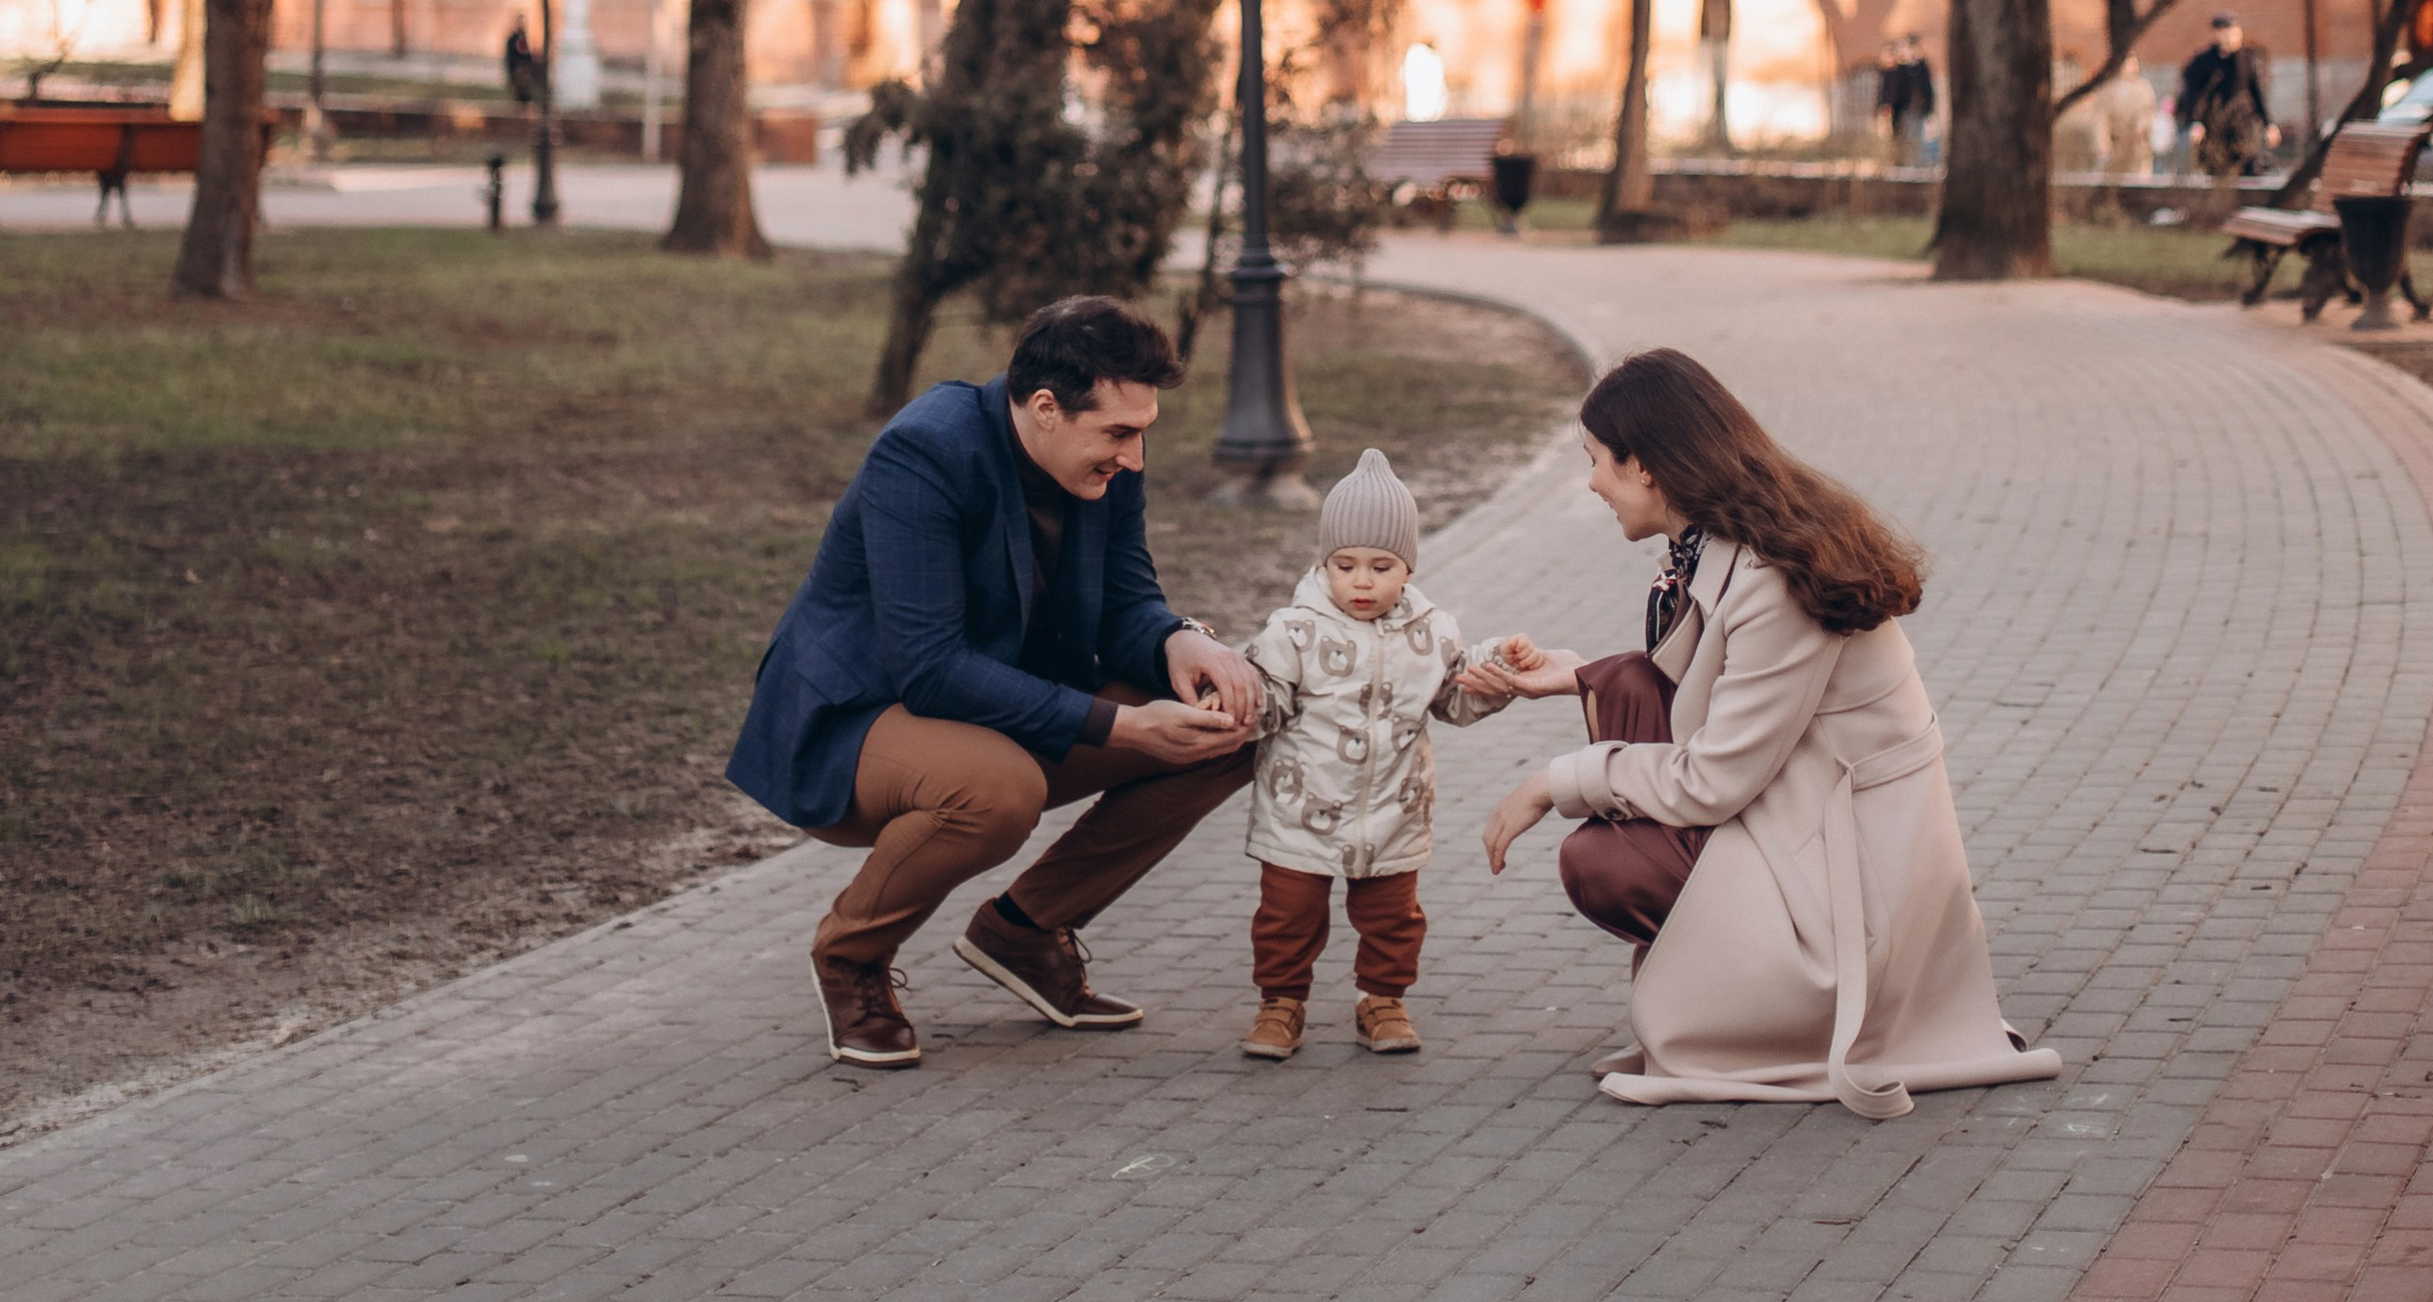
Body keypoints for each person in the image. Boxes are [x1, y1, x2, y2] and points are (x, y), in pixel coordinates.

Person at [1478, 347, 2060, 1117]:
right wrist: (1578, 674)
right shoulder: (1721, 542)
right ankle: (1724, 966)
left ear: (1644, 464)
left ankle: (1762, 997)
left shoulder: (1773, 577)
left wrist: (1555, 781)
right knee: (1626, 690)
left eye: (1596, 461)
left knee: (1600, 862)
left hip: (1850, 873)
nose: (1591, 483)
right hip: (1805, 806)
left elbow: (1713, 779)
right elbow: (1707, 690)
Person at [727, 294, 1262, 1071]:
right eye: (1119, 432)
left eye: (1143, 431)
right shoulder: (924, 452)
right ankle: (851, 955)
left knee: (1230, 728)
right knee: (998, 790)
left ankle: (1024, 930)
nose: (1135, 457)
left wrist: (1179, 639)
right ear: (1045, 407)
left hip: (994, 700)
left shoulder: (1104, 464)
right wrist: (1122, 725)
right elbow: (930, 666)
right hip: (857, 717)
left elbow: (1126, 598)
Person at [1235, 447, 1515, 1063]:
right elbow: (1268, 699)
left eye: (1381, 566)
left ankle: (1382, 1000)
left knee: (1394, 918)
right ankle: (1281, 1002)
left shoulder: (1433, 633)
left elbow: (1453, 700)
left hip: (1393, 808)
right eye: (1345, 565)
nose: (1362, 581)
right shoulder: (1294, 631)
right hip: (1299, 809)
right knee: (1286, 916)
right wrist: (1236, 703)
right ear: (1324, 563)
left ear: (1408, 567)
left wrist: (1496, 674)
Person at [2174, 14, 2274, 175]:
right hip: (2214, 128)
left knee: (2248, 169)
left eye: (2234, 33)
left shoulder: (2246, 60)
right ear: (2216, 34)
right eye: (2225, 33)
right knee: (2217, 171)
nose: (2230, 38)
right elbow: (2192, 94)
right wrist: (2194, 122)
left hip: (2242, 126)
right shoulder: (2203, 61)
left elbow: (2257, 94)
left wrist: (2269, 124)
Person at [1875, 38, 1936, 164]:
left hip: (1917, 109)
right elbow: (1892, 90)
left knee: (1916, 135)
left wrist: (1928, 106)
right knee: (1900, 136)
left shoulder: (1921, 67)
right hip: (1902, 108)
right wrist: (1886, 105)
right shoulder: (1898, 70)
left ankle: (1914, 161)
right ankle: (1901, 161)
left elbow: (1926, 88)